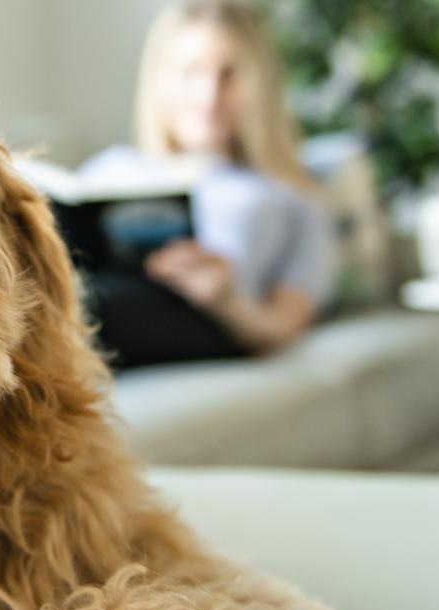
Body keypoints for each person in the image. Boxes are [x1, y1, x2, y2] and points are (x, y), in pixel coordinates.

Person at [81, 0, 337, 368]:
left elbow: (284, 325)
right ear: (159, 79)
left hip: (202, 319)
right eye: (190, 71)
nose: (208, 95)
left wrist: (227, 299)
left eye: (229, 74)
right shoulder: (108, 169)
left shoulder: (289, 196)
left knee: (85, 305)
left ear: (259, 84)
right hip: (89, 298)